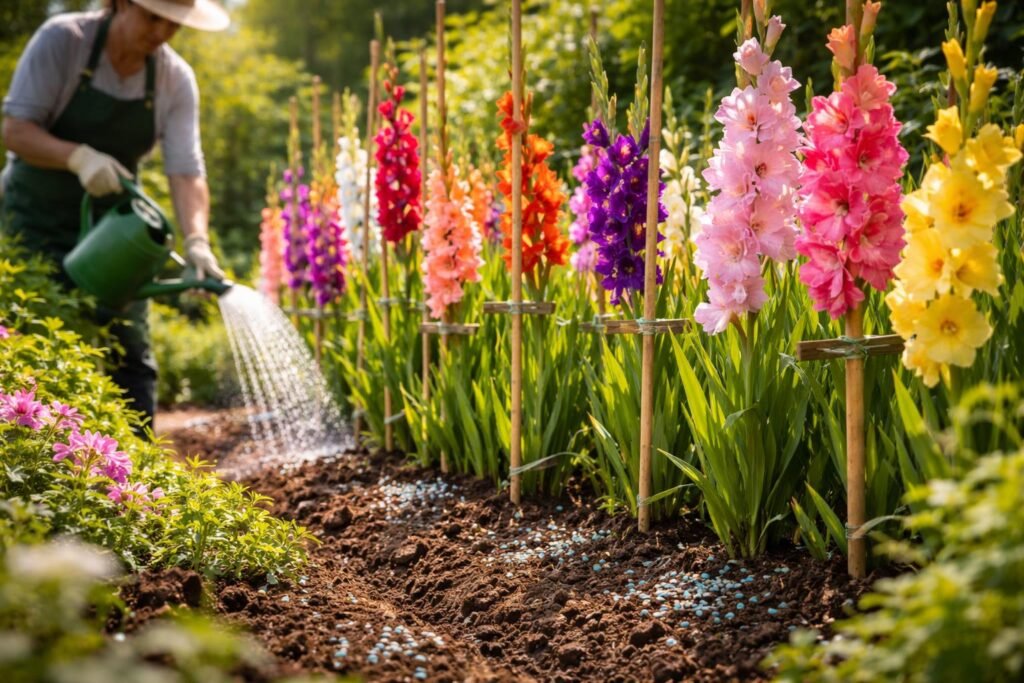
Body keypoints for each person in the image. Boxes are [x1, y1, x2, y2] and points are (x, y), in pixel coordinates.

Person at [1, 0, 229, 431]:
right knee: (29, 347)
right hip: (33, 222)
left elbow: (186, 171)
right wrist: (78, 157)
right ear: (122, 3)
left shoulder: (173, 79)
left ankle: (132, 486)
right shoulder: (63, 41)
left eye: (174, 24)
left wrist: (197, 240)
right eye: (153, 17)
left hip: (117, 232)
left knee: (130, 356)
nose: (161, 32)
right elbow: (15, 130)